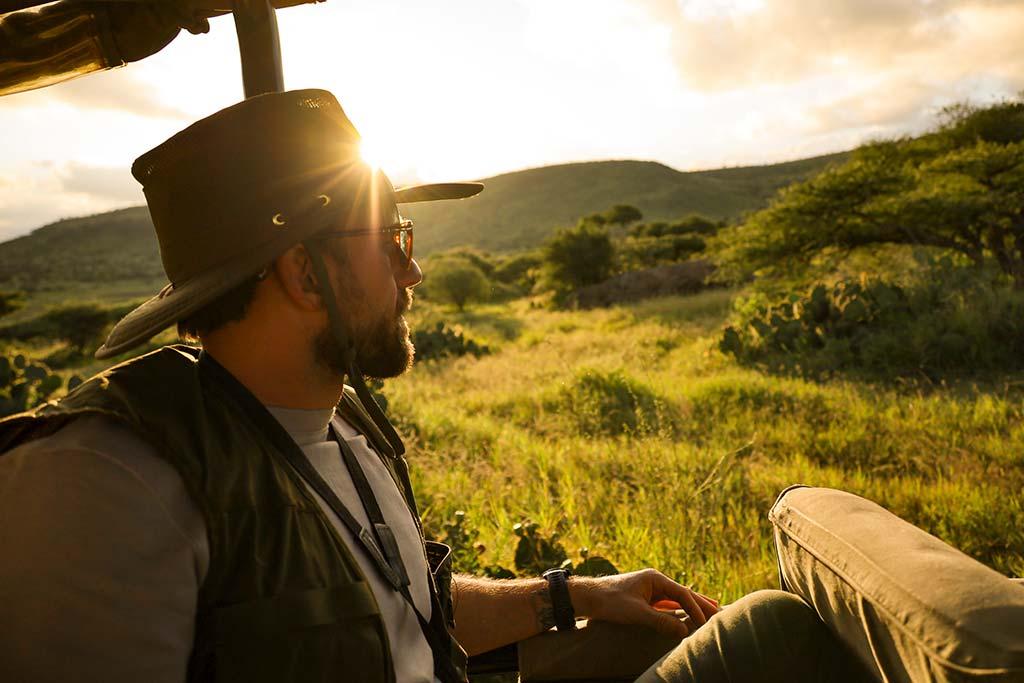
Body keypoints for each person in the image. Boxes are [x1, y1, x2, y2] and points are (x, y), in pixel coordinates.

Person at [0, 89, 867, 683]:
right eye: (392, 241)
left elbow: (402, 607)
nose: (412, 273)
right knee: (778, 640)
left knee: (766, 627)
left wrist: (569, 595)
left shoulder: (340, 423)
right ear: (303, 272)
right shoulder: (110, 481)